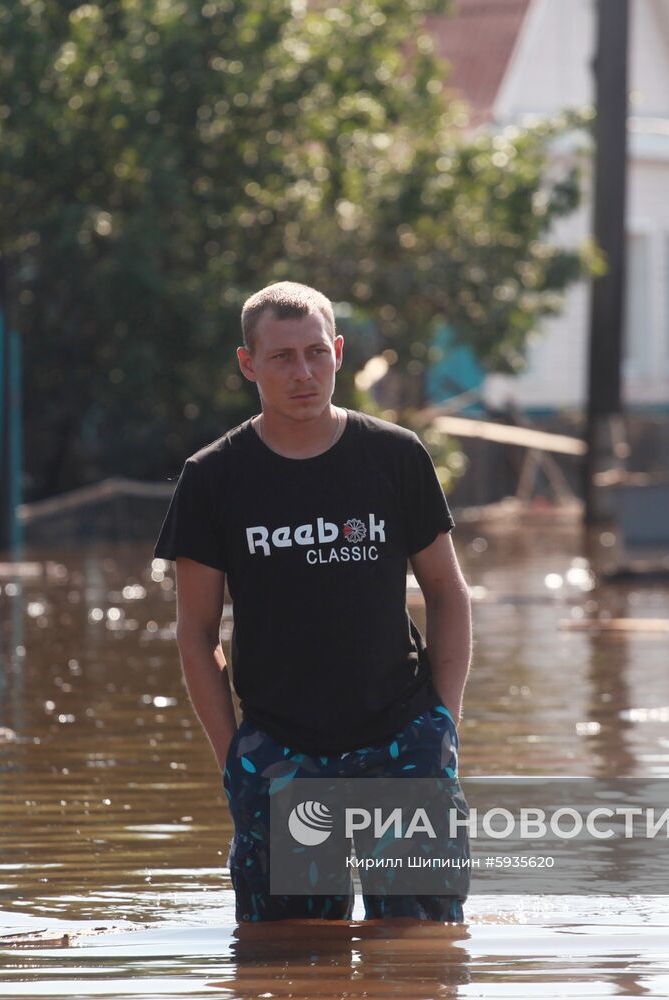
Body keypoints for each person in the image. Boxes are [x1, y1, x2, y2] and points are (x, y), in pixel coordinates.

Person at [154, 281, 472, 922]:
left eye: (316, 353)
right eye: (282, 357)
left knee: (423, 956)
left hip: (402, 744)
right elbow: (195, 634)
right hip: (282, 755)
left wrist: (443, 725)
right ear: (248, 364)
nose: (304, 373)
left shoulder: (395, 456)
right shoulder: (214, 478)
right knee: (288, 963)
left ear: (338, 353)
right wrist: (236, 760)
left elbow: (447, 592)